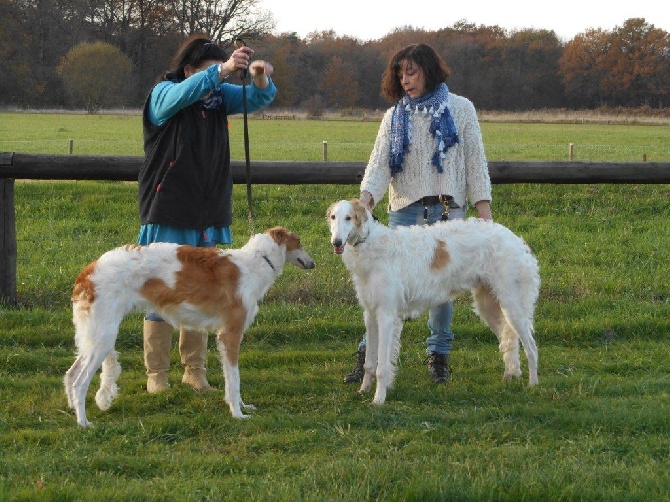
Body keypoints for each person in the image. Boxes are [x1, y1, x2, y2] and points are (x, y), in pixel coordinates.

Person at [344, 43, 493, 385]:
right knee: (385, 289)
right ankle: (368, 358)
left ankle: (438, 356)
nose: (405, 79)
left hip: (446, 211)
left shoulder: (461, 109)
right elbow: (380, 165)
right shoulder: (395, 115)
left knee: (445, 287)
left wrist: (485, 216)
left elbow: (475, 164)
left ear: (429, 70)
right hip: (405, 213)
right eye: (400, 73)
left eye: (411, 72)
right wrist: (364, 203)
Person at [138, 34, 277, 393]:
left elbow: (259, 97)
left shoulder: (216, 100)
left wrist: (259, 75)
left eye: (222, 73)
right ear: (189, 69)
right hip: (169, 206)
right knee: (162, 289)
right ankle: (157, 377)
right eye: (210, 71)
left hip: (209, 209)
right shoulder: (164, 93)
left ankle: (194, 371)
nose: (219, 78)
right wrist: (225, 69)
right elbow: (183, 95)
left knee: (203, 291)